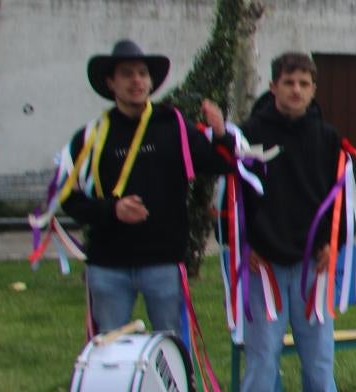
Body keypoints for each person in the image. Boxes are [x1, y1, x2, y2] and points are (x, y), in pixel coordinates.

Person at [49, 39, 232, 334]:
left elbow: (220, 164)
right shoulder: (91, 136)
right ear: (111, 82)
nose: (136, 80)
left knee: (172, 350)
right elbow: (69, 197)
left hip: (163, 262)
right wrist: (113, 209)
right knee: (110, 350)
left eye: (142, 73)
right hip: (108, 265)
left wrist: (221, 133)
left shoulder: (173, 126)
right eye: (127, 74)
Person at [228, 52, 349, 392]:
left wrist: (334, 242)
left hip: (312, 260)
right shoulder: (249, 134)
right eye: (288, 82)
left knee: (317, 344)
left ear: (313, 89)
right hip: (264, 259)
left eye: (304, 83)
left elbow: (339, 197)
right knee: (263, 344)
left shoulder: (327, 137)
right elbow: (234, 196)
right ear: (273, 86)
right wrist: (244, 243)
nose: (296, 90)